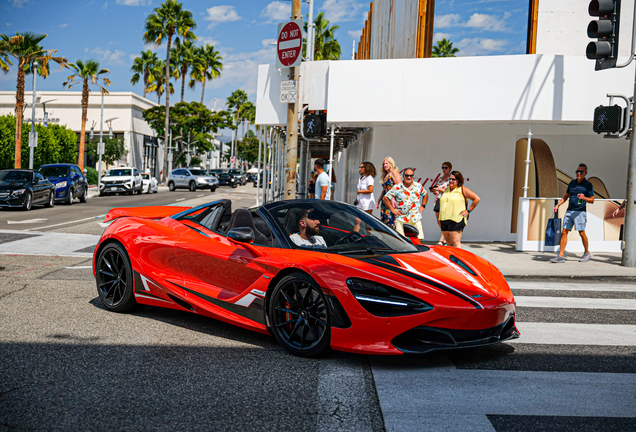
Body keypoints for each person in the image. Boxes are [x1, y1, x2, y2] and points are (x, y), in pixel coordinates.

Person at [550, 164, 595, 263]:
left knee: (581, 233)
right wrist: (558, 205)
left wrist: (584, 198)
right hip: (569, 211)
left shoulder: (588, 185)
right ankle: (561, 256)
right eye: (577, 171)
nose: (579, 173)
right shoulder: (572, 183)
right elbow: (565, 197)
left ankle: (587, 253)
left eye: (581, 172)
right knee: (564, 231)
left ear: (585, 173)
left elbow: (592, 200)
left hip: (580, 212)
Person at [383, 167, 429, 240]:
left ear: (413, 177)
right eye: (407, 175)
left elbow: (425, 194)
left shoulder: (418, 186)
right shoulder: (397, 187)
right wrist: (392, 209)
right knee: (401, 241)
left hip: (415, 217)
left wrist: (423, 206)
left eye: (411, 175)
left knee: (418, 241)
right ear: (403, 176)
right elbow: (385, 198)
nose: (409, 177)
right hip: (401, 218)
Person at [438, 171, 480, 249]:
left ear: (458, 181)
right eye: (450, 179)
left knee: (455, 242)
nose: (451, 181)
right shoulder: (447, 190)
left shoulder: (462, 189)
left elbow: (476, 198)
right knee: (449, 243)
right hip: (444, 219)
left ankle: (459, 260)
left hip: (456, 219)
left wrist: (468, 211)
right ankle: (450, 260)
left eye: (453, 179)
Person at [430, 161, 452, 245]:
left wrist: (439, 190)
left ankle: (442, 239)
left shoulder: (451, 179)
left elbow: (450, 191)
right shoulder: (440, 179)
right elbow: (437, 192)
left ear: (450, 169)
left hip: (446, 201)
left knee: (443, 221)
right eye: (443, 167)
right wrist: (434, 190)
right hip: (438, 200)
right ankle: (446, 237)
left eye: (446, 168)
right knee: (439, 221)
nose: (444, 169)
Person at [377, 156, 402, 229]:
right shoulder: (386, 175)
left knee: (391, 221)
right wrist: (379, 200)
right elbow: (385, 189)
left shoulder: (394, 172)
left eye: (387, 163)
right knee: (385, 222)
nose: (385, 165)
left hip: (391, 200)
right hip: (385, 200)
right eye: (384, 164)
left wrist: (394, 198)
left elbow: (399, 187)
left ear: (391, 164)